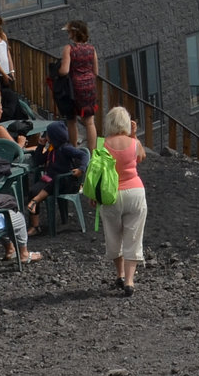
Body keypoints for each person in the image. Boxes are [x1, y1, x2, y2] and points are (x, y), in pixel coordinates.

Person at [102, 106, 149, 294]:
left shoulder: (102, 144)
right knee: (133, 236)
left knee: (114, 236)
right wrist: (135, 135)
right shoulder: (133, 143)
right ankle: (130, 281)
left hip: (111, 194)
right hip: (135, 191)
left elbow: (96, 172)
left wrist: (93, 196)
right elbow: (142, 156)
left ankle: (119, 275)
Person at [25, 122, 87, 231]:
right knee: (33, 190)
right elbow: (38, 161)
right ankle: (35, 226)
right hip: (50, 179)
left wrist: (81, 168)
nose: (46, 137)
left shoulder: (66, 148)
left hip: (64, 182)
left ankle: (35, 201)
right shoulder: (52, 149)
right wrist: (40, 146)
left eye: (47, 135)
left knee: (54, 181)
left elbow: (83, 155)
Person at [59, 21, 101, 149]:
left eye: (69, 31)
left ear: (74, 33)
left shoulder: (69, 49)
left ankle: (74, 149)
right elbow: (96, 72)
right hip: (90, 87)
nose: (68, 33)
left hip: (74, 88)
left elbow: (64, 71)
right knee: (89, 122)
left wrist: (58, 70)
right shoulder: (91, 49)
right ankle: (92, 153)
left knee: (72, 120)